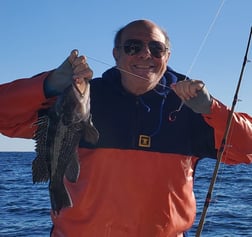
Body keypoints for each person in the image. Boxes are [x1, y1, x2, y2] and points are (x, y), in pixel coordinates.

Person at [0, 19, 251, 237]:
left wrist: (212, 110)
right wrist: (47, 84)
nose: (145, 54)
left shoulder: (191, 108)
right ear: (116, 54)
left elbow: (247, 149)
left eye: (156, 48)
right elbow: (6, 118)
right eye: (133, 46)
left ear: (167, 56)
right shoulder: (81, 98)